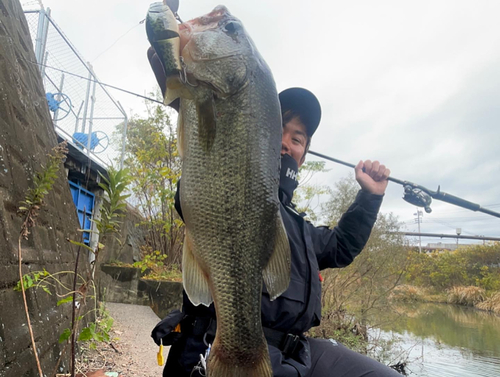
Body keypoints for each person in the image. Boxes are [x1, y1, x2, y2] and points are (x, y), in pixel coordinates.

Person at [148, 49, 400, 376]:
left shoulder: (302, 230)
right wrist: (169, 48)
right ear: (256, 130)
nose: (286, 142)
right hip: (224, 341)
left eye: (298, 138)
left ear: (303, 155)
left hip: (299, 355)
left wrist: (370, 196)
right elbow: (192, 114)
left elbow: (342, 246)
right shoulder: (224, 178)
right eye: (279, 128)